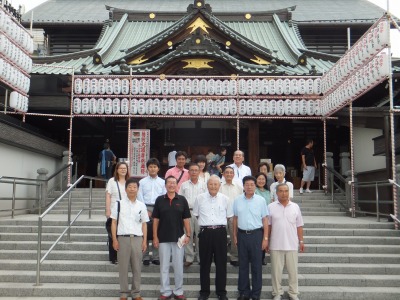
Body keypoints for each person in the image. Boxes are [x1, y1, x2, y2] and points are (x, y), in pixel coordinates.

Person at [193, 175, 233, 300]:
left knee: (221, 264)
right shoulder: (199, 198)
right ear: (207, 185)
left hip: (220, 233)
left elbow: (228, 216)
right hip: (205, 233)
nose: (213, 186)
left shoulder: (225, 199)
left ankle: (221, 292)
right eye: (211, 184)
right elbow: (196, 215)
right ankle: (204, 292)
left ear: (219, 186)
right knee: (204, 264)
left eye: (216, 184)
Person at [152, 176, 191, 300]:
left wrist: (188, 234)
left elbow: (186, 219)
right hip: (163, 238)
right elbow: (156, 220)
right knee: (164, 266)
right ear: (165, 185)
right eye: (169, 183)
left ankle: (179, 291)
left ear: (177, 185)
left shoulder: (182, 200)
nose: (171, 185)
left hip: (178, 238)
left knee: (178, 265)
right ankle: (165, 291)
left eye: (174, 183)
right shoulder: (159, 200)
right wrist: (155, 236)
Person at [111, 177, 149, 300]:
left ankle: (136, 293)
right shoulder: (118, 204)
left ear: (138, 189)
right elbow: (114, 222)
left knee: (137, 267)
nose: (132, 189)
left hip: (137, 239)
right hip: (123, 238)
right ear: (126, 189)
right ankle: (123, 293)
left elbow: (144, 224)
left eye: (135, 187)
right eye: (130, 187)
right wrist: (115, 239)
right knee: (123, 267)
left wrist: (144, 241)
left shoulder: (142, 205)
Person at [233, 176, 269, 300]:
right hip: (242, 235)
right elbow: (235, 219)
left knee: (256, 266)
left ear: (255, 186)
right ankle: (243, 292)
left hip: (256, 235)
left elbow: (265, 220)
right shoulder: (237, 200)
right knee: (242, 265)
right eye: (247, 184)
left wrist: (265, 238)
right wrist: (234, 235)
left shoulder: (261, 200)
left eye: (252, 184)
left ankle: (256, 293)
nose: (249, 187)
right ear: (243, 186)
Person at [267, 183, 304, 300]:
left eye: (286, 191)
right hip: (276, 244)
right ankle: (277, 293)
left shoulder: (295, 207)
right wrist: (266, 241)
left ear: (289, 192)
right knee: (276, 272)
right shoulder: (271, 207)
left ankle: (293, 293)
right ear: (276, 193)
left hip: (292, 244)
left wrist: (301, 241)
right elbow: (268, 226)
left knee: (293, 272)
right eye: (281, 191)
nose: (284, 193)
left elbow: (299, 226)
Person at [137, 158, 166, 266]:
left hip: (158, 208)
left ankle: (155, 256)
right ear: (147, 168)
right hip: (145, 207)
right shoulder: (142, 182)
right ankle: (145, 256)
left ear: (158, 168)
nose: (153, 169)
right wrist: (145, 210)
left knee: (156, 232)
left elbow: (164, 196)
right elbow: (139, 196)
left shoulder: (163, 182)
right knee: (144, 232)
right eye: (150, 167)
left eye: (155, 167)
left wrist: (158, 211)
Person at [180, 163, 207, 266]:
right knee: (188, 235)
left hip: (201, 213)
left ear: (199, 171)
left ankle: (201, 257)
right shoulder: (184, 185)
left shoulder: (204, 185)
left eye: (196, 170)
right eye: (192, 170)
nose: (194, 172)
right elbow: (181, 200)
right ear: (189, 172)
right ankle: (189, 257)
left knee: (200, 236)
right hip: (188, 212)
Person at [105, 162, 130, 264]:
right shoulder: (112, 181)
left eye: (125, 168)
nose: (123, 170)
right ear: (117, 170)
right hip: (114, 211)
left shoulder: (130, 181)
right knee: (113, 235)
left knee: (125, 235)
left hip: (128, 212)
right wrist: (107, 210)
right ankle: (113, 257)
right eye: (121, 168)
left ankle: (124, 256)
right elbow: (108, 196)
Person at [219, 166, 243, 267]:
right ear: (223, 174)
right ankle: (221, 256)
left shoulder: (238, 187)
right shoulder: (219, 186)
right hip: (221, 215)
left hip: (234, 215)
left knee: (234, 237)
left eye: (231, 173)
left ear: (233, 175)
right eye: (226, 172)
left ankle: (234, 257)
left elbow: (242, 200)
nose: (229, 174)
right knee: (221, 237)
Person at [255, 172, 271, 266]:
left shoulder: (268, 192)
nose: (261, 181)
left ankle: (262, 258)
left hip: (266, 217)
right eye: (259, 179)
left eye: (263, 179)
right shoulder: (254, 190)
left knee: (264, 238)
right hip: (256, 218)